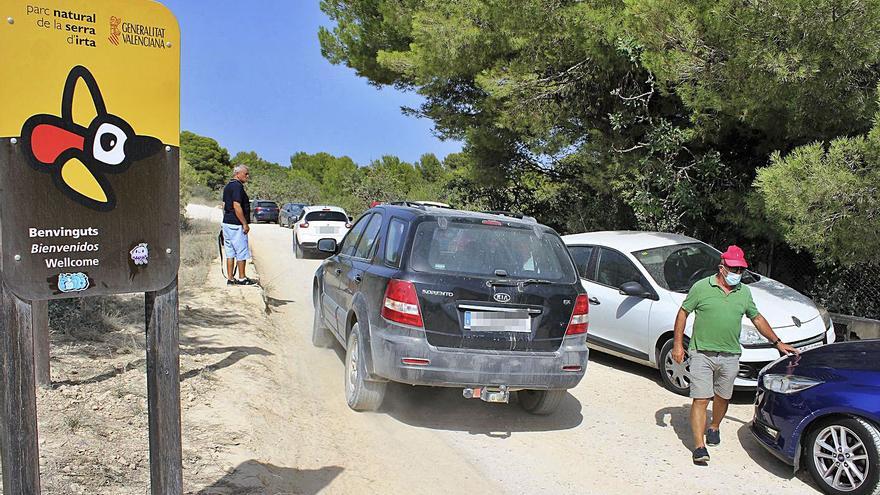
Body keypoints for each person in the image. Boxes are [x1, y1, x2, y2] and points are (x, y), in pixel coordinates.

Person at [671, 245, 797, 464]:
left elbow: (757, 318)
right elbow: (683, 313)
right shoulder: (701, 288)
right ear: (722, 268)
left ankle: (714, 426)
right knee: (701, 399)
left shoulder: (744, 292)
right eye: (734, 269)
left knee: (723, 397)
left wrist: (777, 342)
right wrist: (678, 345)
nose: (737, 274)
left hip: (730, 355)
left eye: (741, 270)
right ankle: (699, 447)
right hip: (702, 353)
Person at [221, 165, 256, 286]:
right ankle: (242, 278)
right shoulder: (237, 186)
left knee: (230, 252)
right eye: (246, 174)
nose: (247, 176)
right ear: (238, 174)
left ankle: (230, 278)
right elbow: (236, 205)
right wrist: (244, 223)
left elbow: (225, 205)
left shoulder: (228, 186)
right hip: (236, 224)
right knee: (241, 251)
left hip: (227, 223)